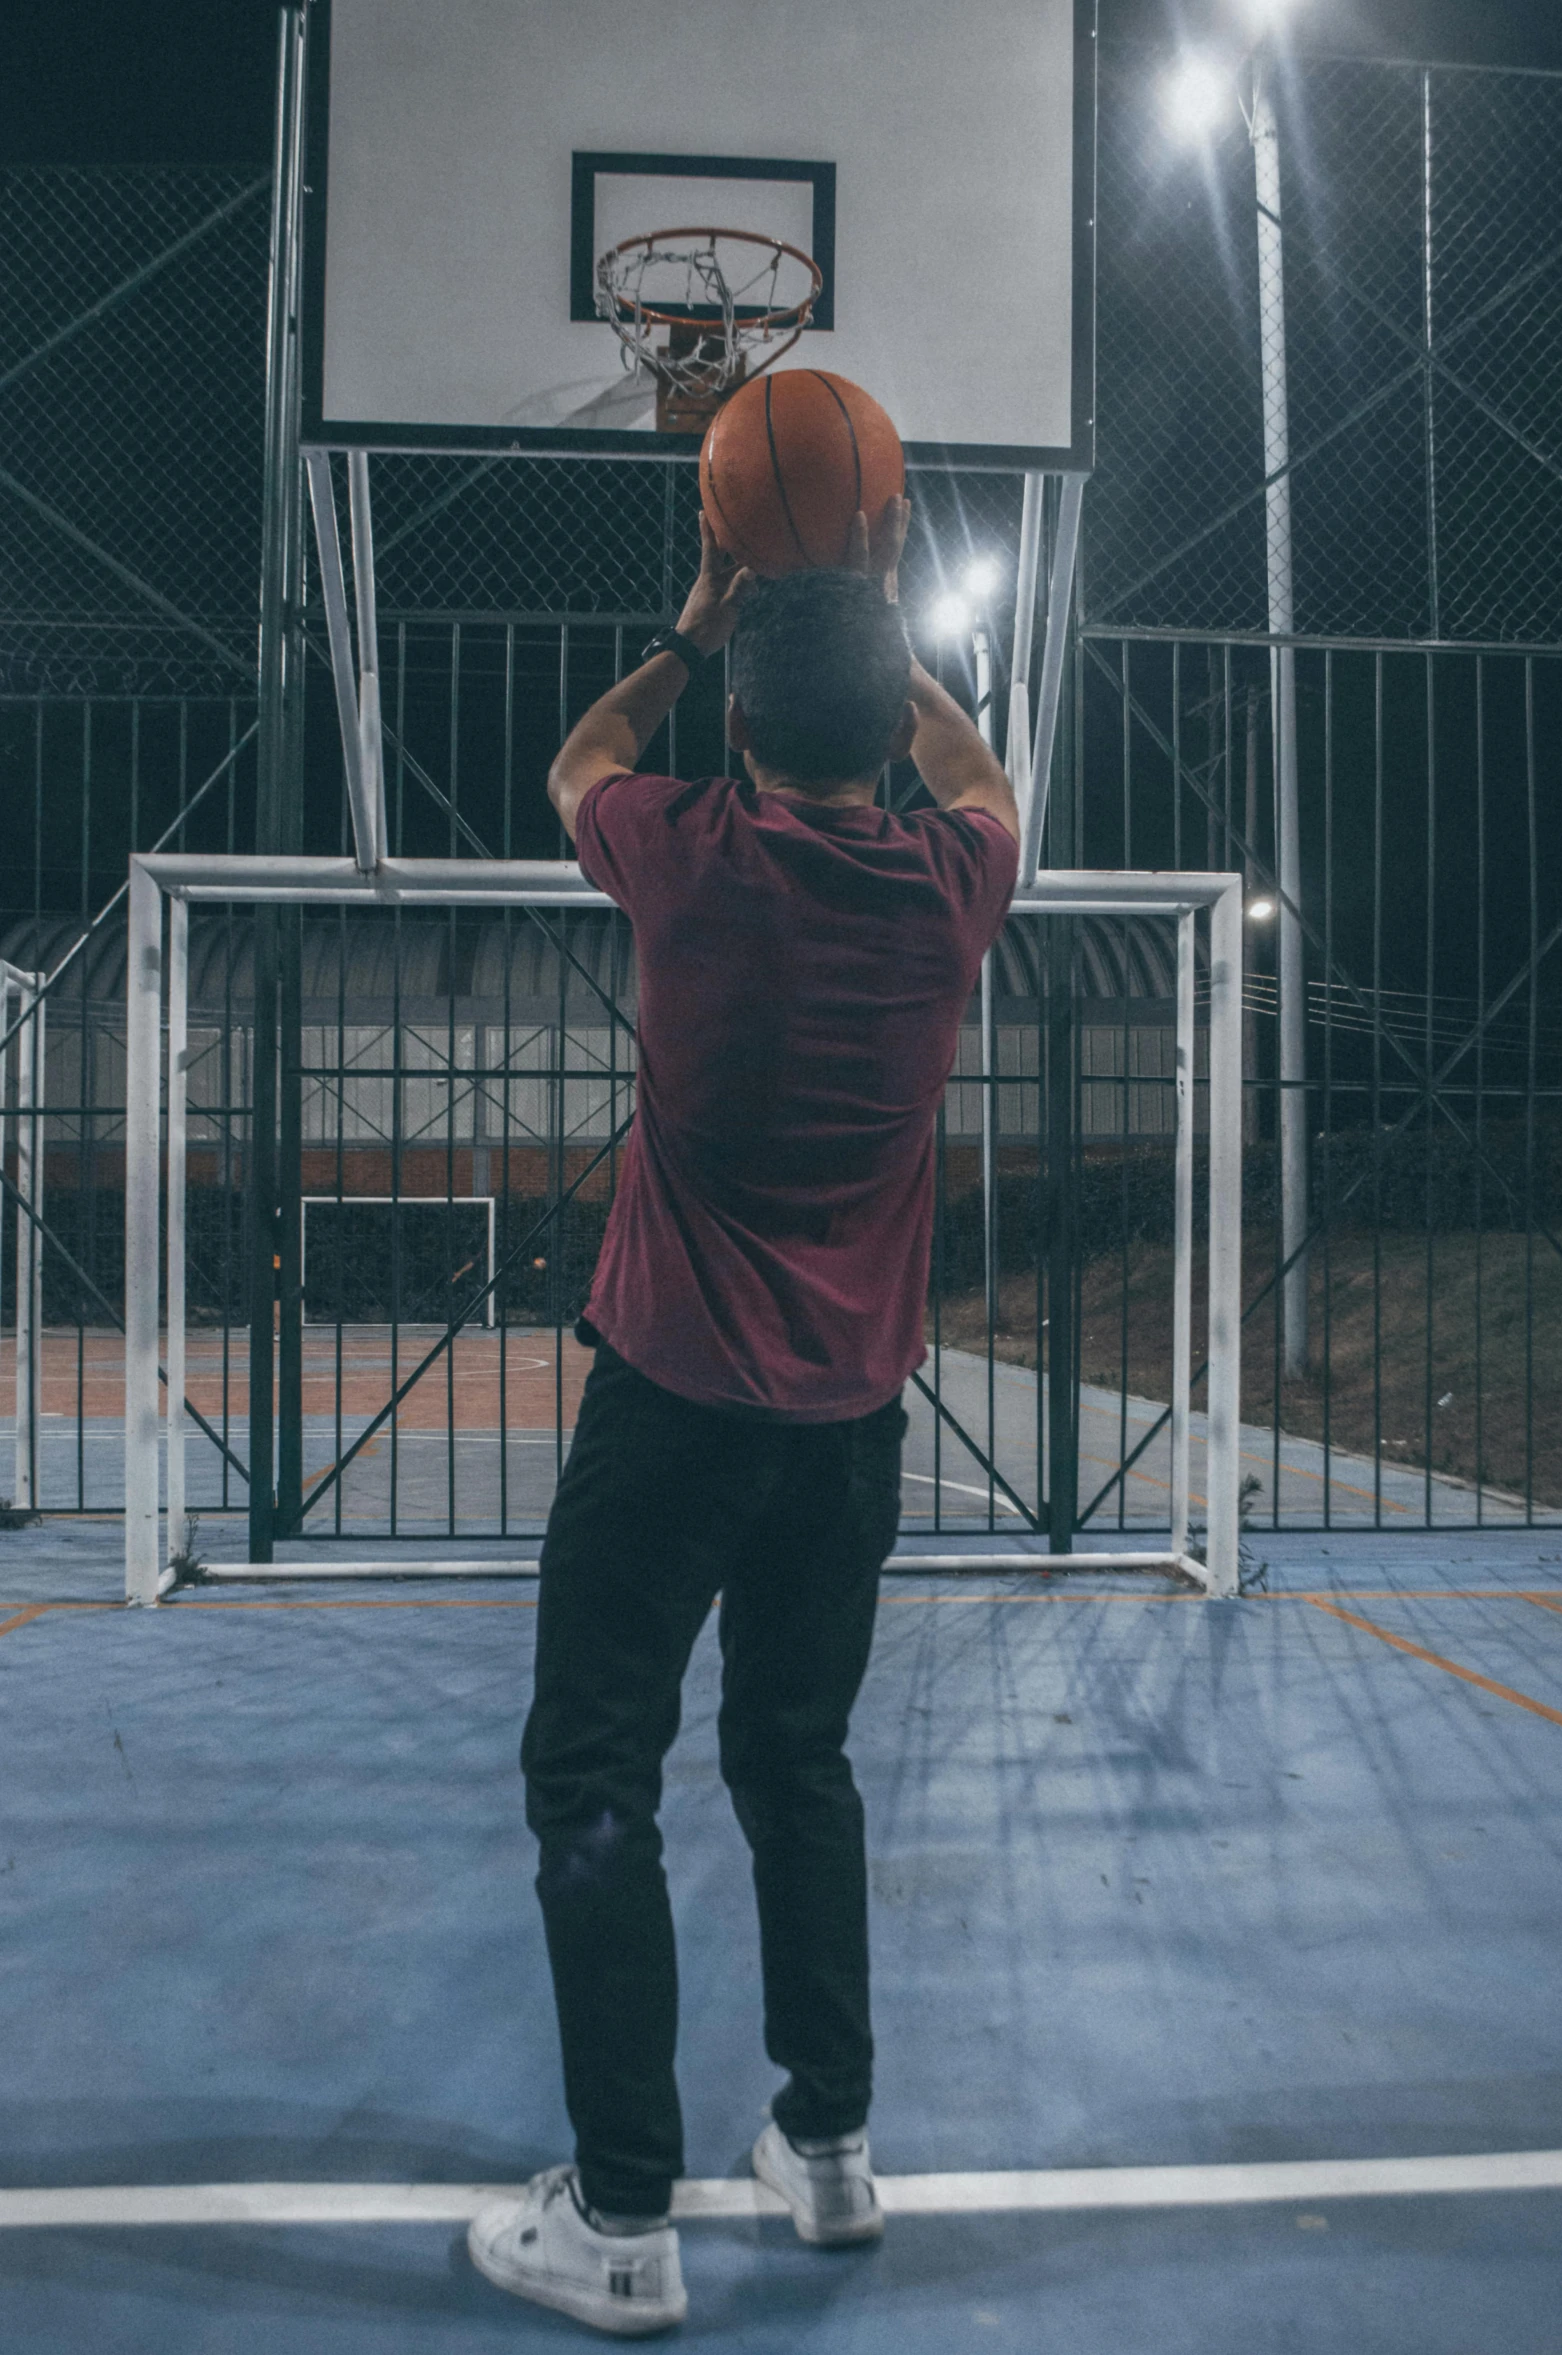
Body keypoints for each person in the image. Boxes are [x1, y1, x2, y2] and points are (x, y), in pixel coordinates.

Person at [468, 501, 1018, 2335]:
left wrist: (701, 625)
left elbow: (576, 756)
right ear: (887, 734)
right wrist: (886, 637)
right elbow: (983, 777)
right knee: (800, 1764)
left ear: (740, 740)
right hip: (850, 1426)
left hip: (673, 1408)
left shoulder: (686, 854)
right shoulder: (954, 886)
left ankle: (624, 2211)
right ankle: (830, 2141)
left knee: (594, 1778)